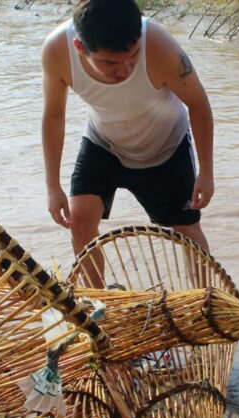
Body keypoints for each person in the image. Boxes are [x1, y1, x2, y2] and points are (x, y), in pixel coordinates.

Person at [42, 0, 214, 275]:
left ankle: (206, 303)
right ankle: (97, 306)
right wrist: (52, 186)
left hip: (166, 146)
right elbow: (53, 116)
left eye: (133, 55)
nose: (125, 69)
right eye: (109, 62)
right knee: (80, 220)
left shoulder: (159, 45)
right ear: (79, 48)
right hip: (104, 142)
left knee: (186, 228)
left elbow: (199, 104)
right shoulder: (56, 51)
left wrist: (206, 172)